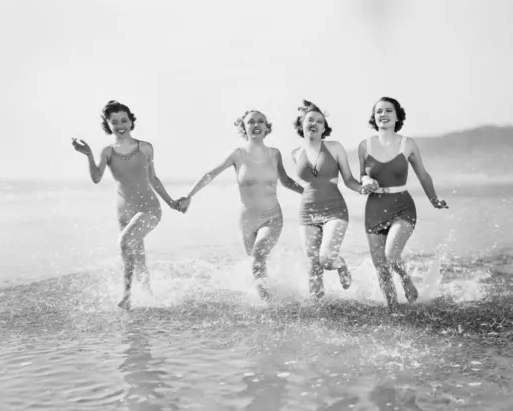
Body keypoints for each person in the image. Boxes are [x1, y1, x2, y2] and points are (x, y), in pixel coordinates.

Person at [176, 109, 303, 300]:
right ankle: (270, 296)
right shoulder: (238, 154)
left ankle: (267, 306)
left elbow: (286, 181)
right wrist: (189, 195)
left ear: (267, 127)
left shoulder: (274, 154)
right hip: (246, 222)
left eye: (261, 121)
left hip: (272, 217)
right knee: (257, 264)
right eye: (251, 122)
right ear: (244, 128)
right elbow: (212, 173)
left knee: (258, 258)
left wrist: (308, 193)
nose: (256, 125)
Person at [71, 100, 179, 310]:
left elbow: (154, 179)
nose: (120, 125)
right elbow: (96, 178)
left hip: (149, 208)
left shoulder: (146, 148)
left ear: (131, 121)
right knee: (138, 256)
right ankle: (149, 297)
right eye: (114, 121)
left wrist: (172, 202)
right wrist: (88, 154)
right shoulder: (107, 152)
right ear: (108, 125)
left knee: (125, 241)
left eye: (124, 120)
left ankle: (126, 295)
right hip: (123, 212)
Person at [358, 97, 448, 308]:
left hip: (402, 206)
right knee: (380, 267)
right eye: (379, 111)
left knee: (391, 255)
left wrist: (434, 200)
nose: (383, 114)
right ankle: (393, 308)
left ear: (397, 116)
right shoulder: (364, 145)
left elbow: (423, 175)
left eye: (389, 110)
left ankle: (405, 278)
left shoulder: (408, 144)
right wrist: (366, 180)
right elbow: (362, 176)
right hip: (374, 208)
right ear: (374, 117)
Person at [291, 100, 372, 299]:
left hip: (334, 210)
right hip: (307, 212)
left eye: (320, 121)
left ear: (324, 128)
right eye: (310, 119)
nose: (315, 123)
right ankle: (318, 307)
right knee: (312, 263)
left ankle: (340, 264)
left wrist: (363, 189)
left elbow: (349, 179)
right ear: (301, 124)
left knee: (326, 259)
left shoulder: (334, 147)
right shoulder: (295, 153)